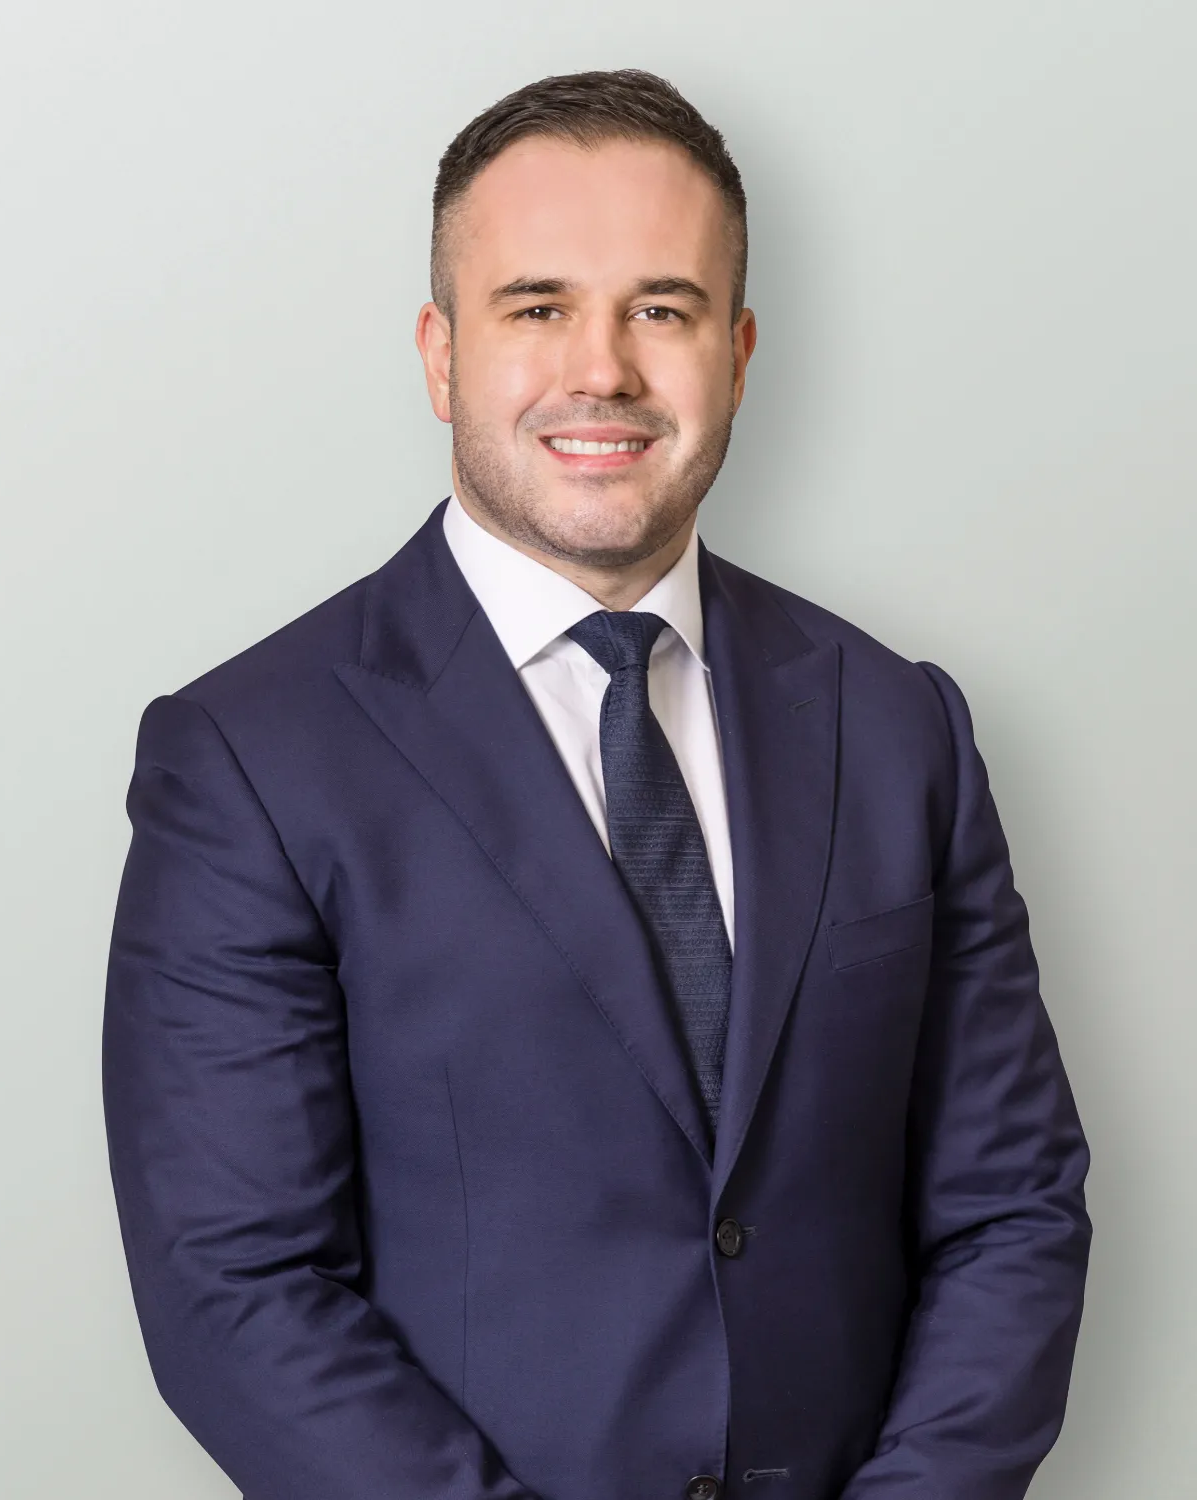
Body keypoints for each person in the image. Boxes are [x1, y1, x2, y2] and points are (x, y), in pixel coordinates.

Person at [102, 68, 1091, 1500]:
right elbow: (237, 1289)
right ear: (441, 355)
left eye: (663, 310)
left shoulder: (896, 725)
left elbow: (1010, 1208)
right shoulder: (252, 758)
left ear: (738, 354)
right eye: (537, 307)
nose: (605, 371)